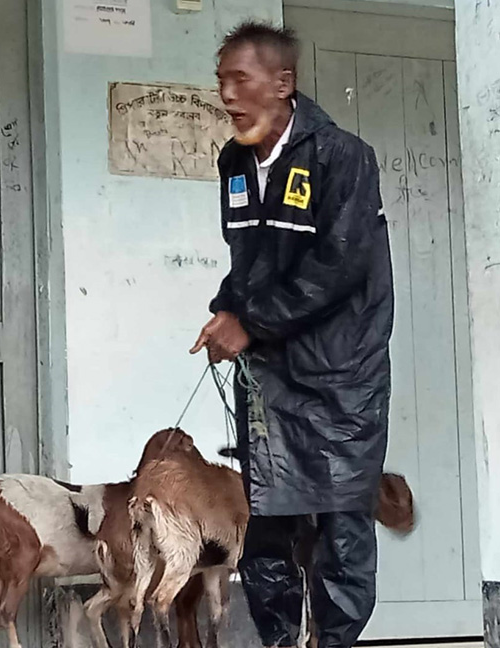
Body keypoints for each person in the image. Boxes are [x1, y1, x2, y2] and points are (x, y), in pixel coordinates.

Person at [190, 22, 393, 648]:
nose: (226, 94)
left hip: (340, 381)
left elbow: (337, 268)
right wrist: (226, 308)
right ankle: (278, 641)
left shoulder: (343, 158)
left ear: (283, 84)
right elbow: (249, 261)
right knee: (269, 529)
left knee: (339, 529)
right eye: (221, 79)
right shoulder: (235, 162)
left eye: (239, 79)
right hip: (269, 376)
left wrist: (249, 324)